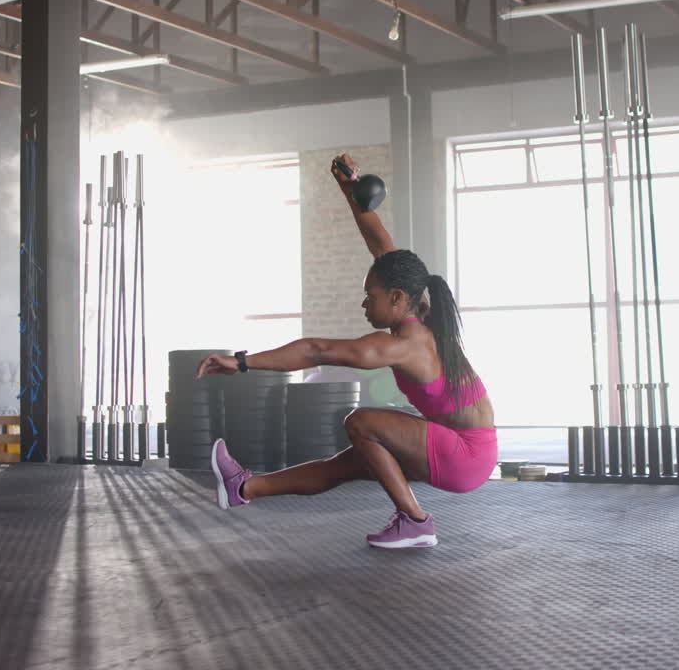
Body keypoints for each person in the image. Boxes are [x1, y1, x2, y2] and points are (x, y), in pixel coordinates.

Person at [196, 154, 497, 549]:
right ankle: (244, 487)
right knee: (346, 464)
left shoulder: (402, 345)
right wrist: (351, 191)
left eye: (369, 296)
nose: (364, 304)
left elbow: (315, 350)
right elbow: (381, 245)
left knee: (361, 422)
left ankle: (415, 520)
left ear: (396, 297)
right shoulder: (417, 311)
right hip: (464, 446)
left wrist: (242, 362)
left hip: (466, 455)